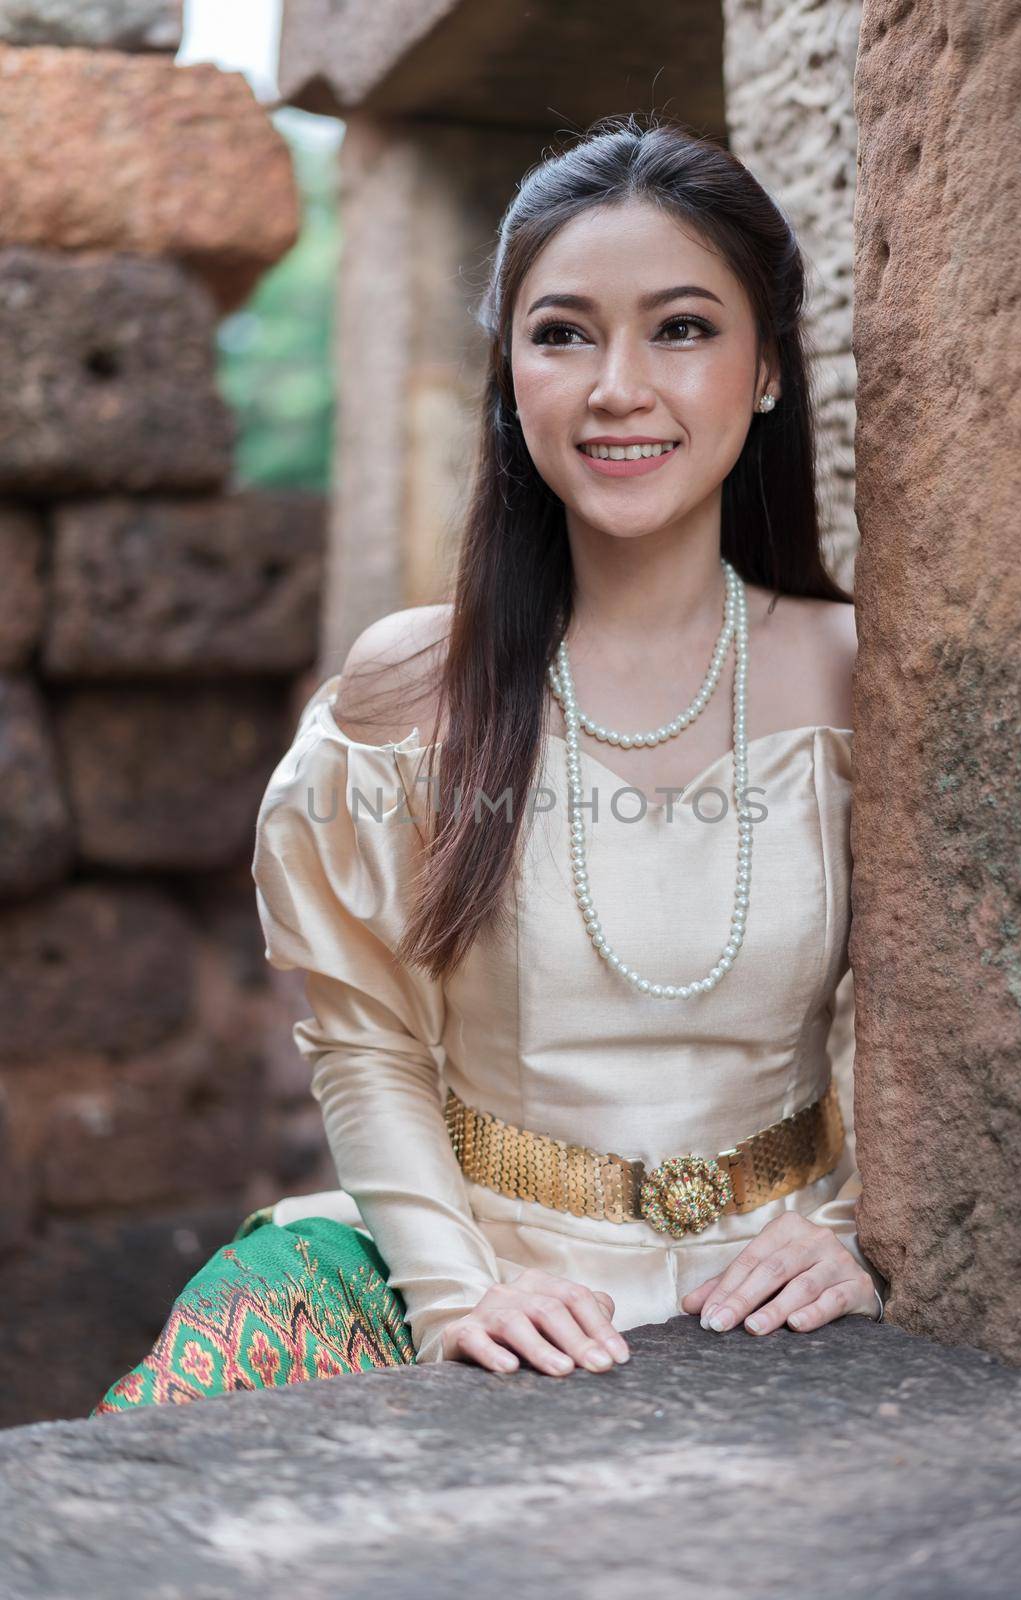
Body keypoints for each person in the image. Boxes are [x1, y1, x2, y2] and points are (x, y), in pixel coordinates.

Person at [90, 110, 885, 1415]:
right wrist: (461, 1295)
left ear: (766, 369)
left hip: (770, 1291)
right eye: (562, 332)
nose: (617, 386)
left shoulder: (862, 677)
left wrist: (856, 1230)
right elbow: (367, 1040)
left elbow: (937, 1025)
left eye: (682, 328)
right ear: (511, 373)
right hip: (486, 1269)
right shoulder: (411, 689)